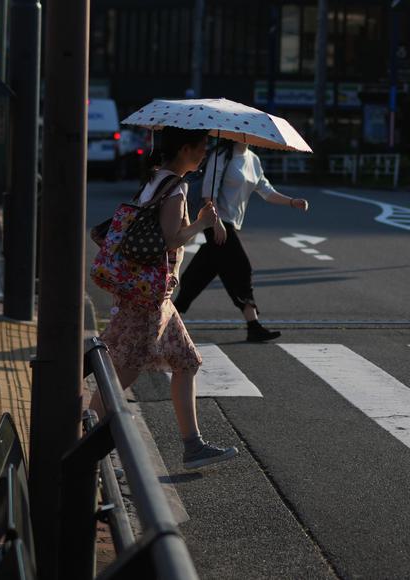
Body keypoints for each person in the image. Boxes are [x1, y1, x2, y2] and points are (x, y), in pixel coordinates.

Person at [96, 127, 239, 471]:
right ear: (185, 149)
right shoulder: (175, 187)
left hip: (155, 296)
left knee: (185, 362)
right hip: (149, 299)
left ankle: (193, 446)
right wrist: (202, 223)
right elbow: (169, 239)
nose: (205, 154)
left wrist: (206, 220)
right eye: (202, 147)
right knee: (122, 373)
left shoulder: (156, 179)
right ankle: (82, 439)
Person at [172, 141, 310, 342]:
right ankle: (253, 326)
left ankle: (169, 317)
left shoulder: (253, 160)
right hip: (216, 222)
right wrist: (217, 222)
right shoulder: (221, 156)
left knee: (201, 272)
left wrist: (291, 201)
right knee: (241, 269)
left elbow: (266, 191)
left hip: (230, 224)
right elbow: (208, 194)